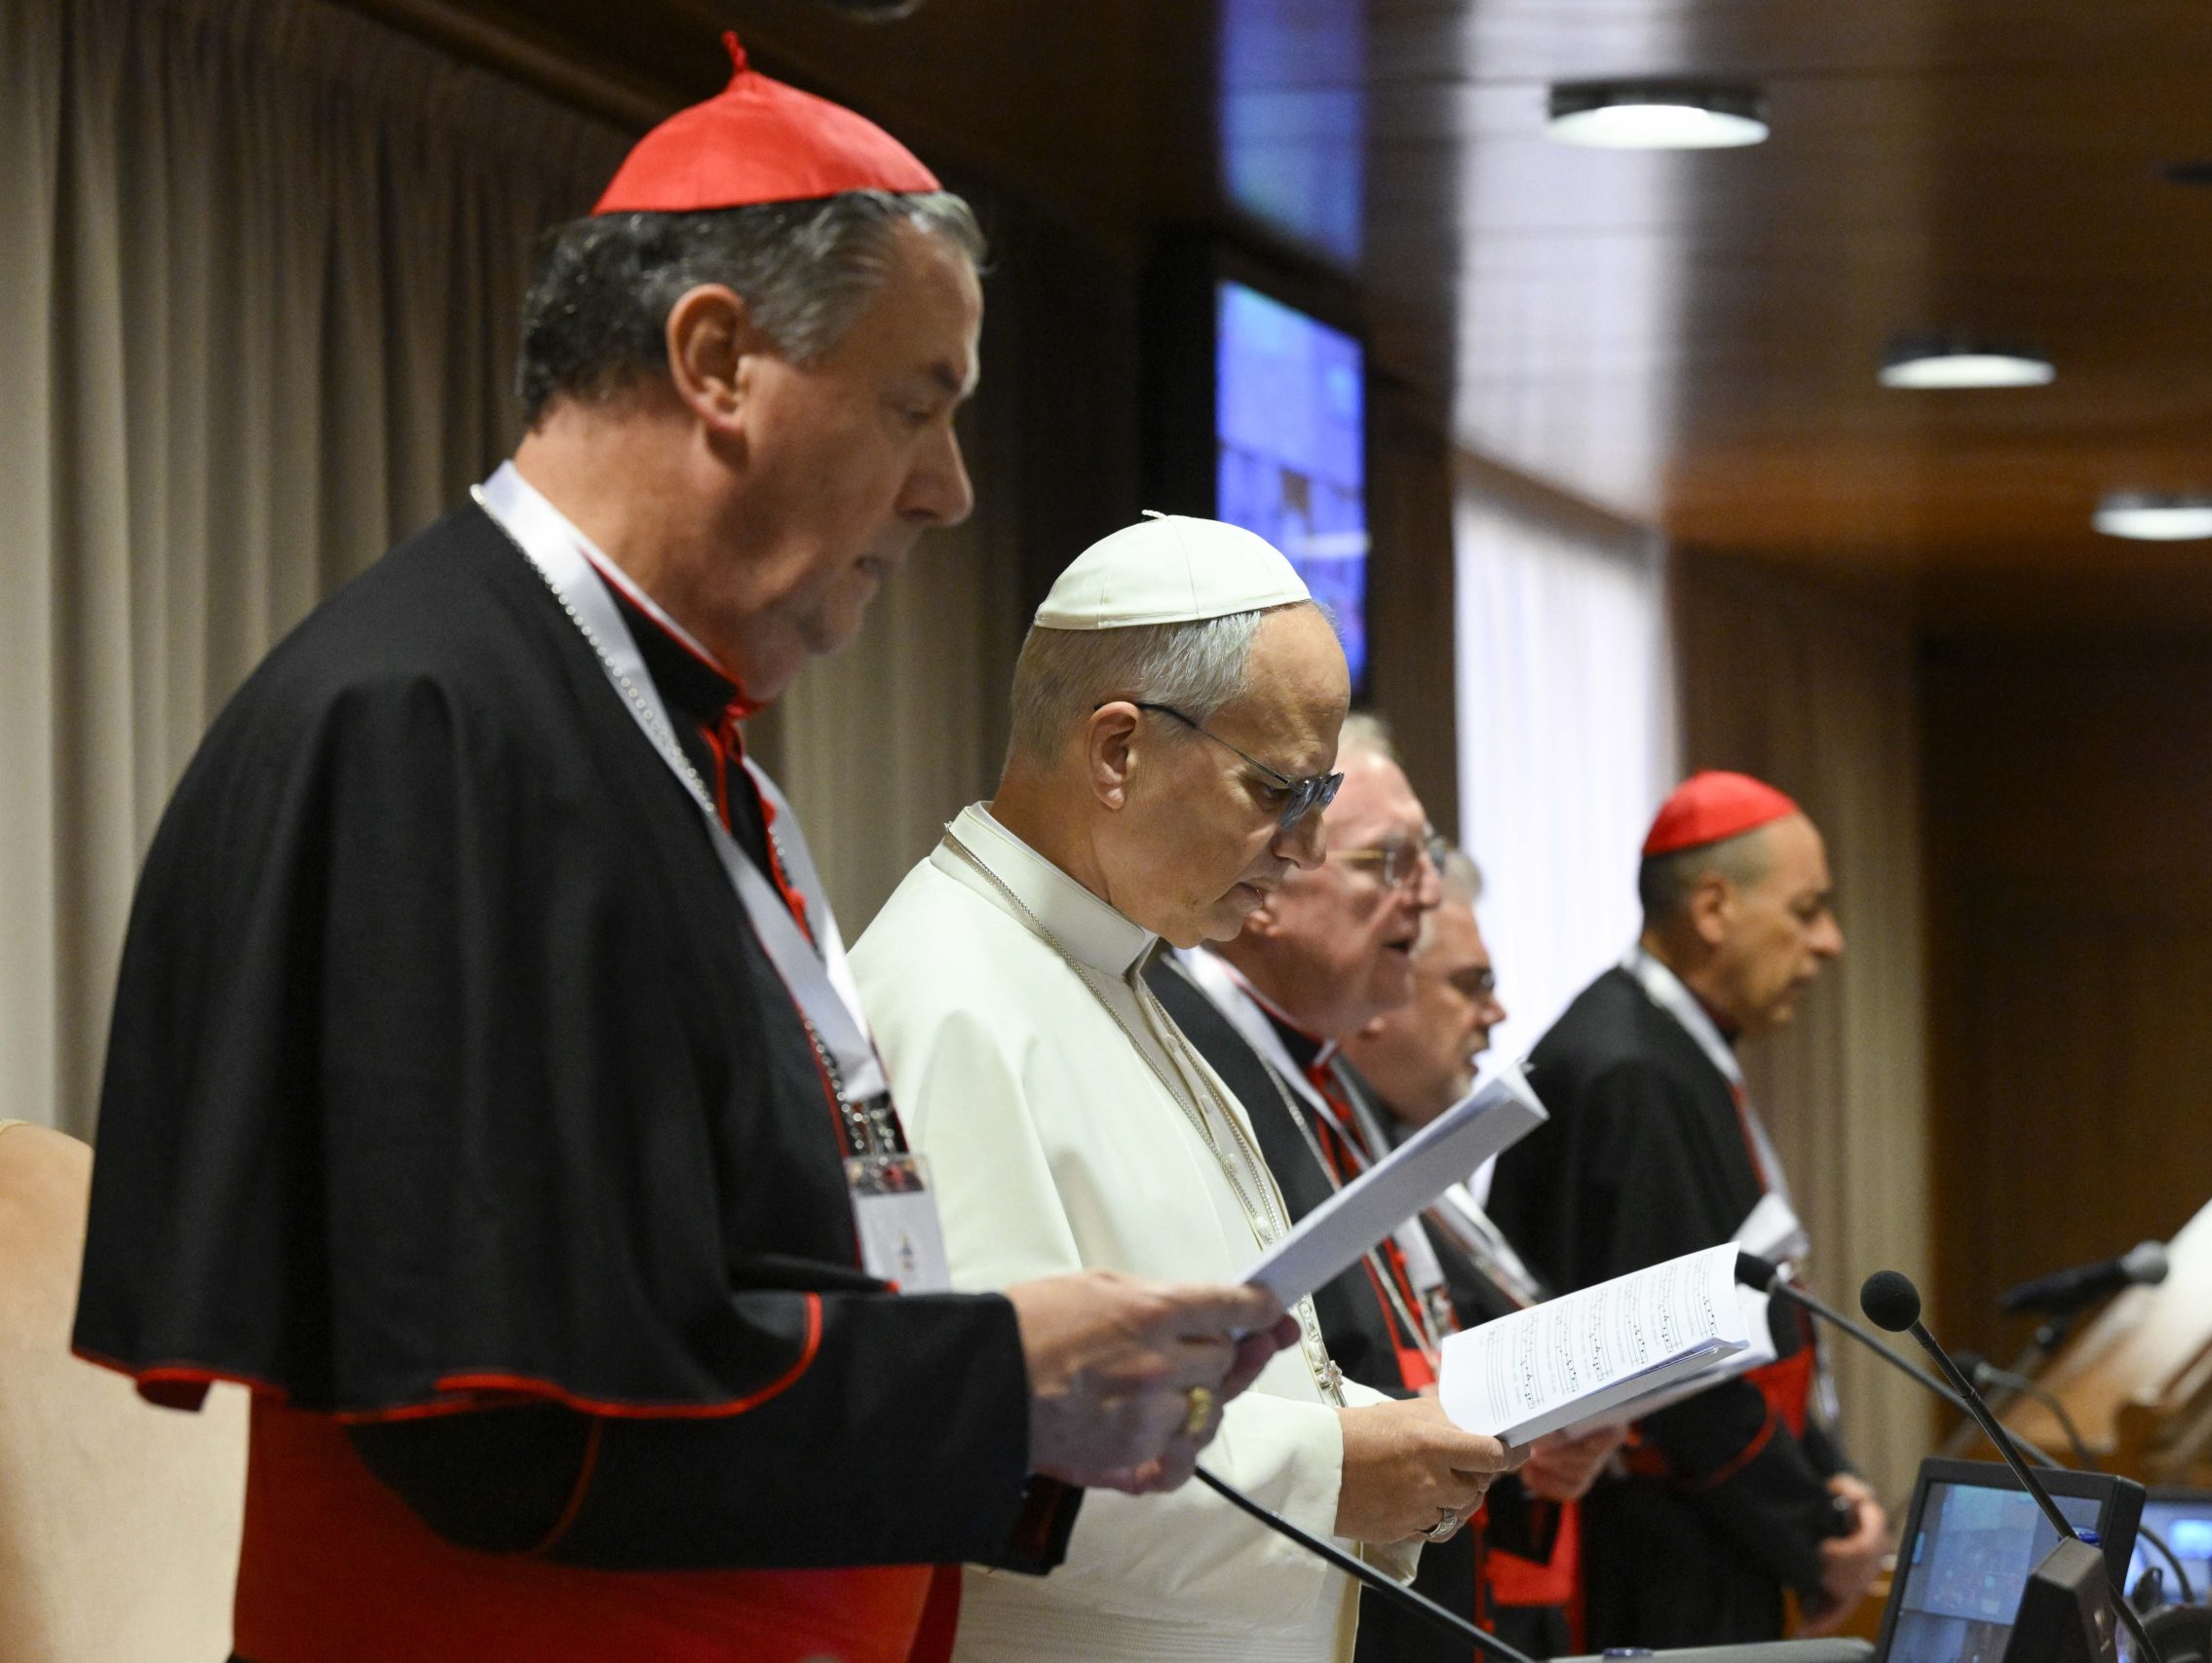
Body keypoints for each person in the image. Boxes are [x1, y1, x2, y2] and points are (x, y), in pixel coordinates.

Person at [70, 44, 1288, 1663]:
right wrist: (996, 1376)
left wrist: (1037, 1410)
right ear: (718, 358)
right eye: (916, 406)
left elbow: (722, 1302)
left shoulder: (656, 738)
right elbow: (505, 1429)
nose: (948, 490)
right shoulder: (429, 727)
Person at [851, 517, 1520, 1663]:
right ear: (1118, 751)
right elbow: (983, 1452)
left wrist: (1376, 1433)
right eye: (1278, 792)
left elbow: (1196, 1373)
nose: (1302, 849)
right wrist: (1337, 1476)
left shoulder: (1111, 967)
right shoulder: (949, 998)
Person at [1152, 721, 1621, 1661]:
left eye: (1431, 858)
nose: (1429, 894)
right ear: (1276, 887)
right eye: (1391, 862)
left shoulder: (1328, 1070)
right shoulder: (1198, 1051)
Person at [1486, 770, 1888, 1649]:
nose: (1830, 943)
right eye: (1808, 909)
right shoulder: (1632, 1070)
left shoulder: (1670, 1046)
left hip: (1697, 1528)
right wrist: (1815, 1533)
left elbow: (1746, 1304)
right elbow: (1678, 1365)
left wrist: (1830, 1476)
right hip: (1654, 1552)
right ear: (1713, 907)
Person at [1336, 845, 1617, 1656]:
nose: (1495, 1015)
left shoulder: (1421, 1157)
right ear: (1380, 995)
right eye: (1471, 984)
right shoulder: (1326, 1146)